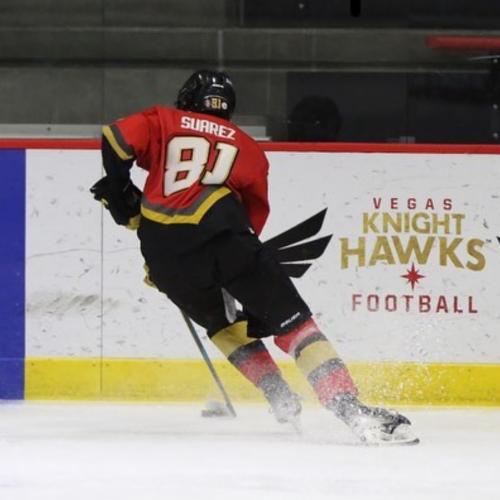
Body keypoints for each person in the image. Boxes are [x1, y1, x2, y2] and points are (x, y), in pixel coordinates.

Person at [93, 69, 418, 445]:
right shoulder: (247, 146)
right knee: (294, 325)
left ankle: (277, 393)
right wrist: (238, 268)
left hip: (163, 258)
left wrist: (120, 191)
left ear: (187, 99)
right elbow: (251, 220)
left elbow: (115, 138)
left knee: (223, 326)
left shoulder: (163, 120)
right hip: (224, 240)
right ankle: (351, 409)